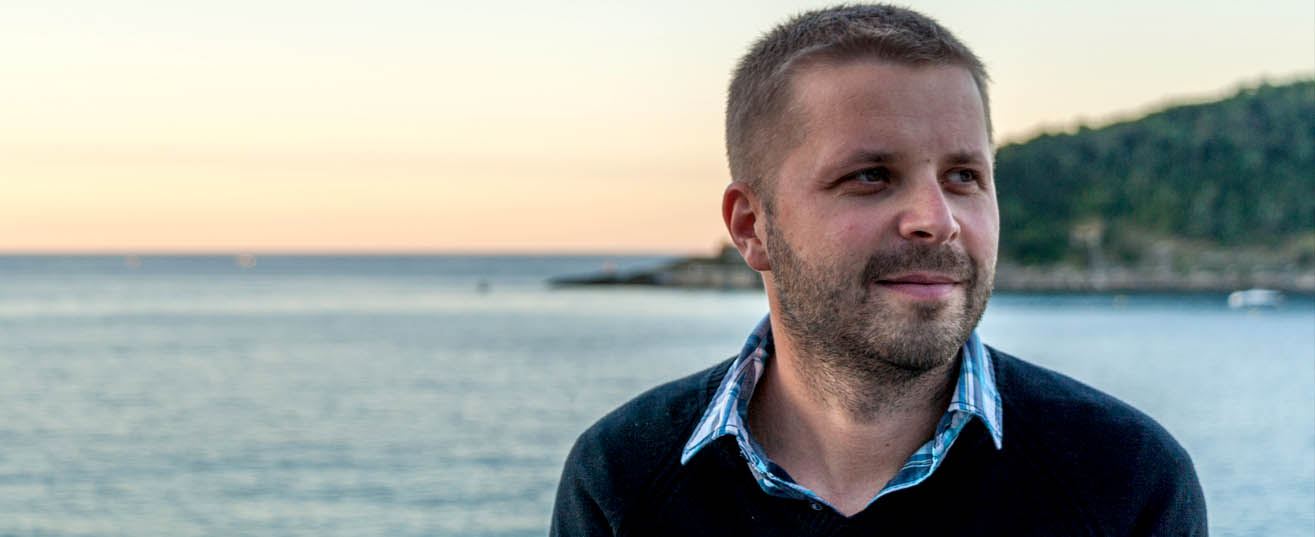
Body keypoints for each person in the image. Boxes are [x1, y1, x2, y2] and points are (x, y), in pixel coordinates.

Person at [551, 4, 1207, 536]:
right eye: (870, 175)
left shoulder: (1124, 480)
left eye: (963, 176)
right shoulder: (624, 478)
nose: (937, 218)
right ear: (751, 226)